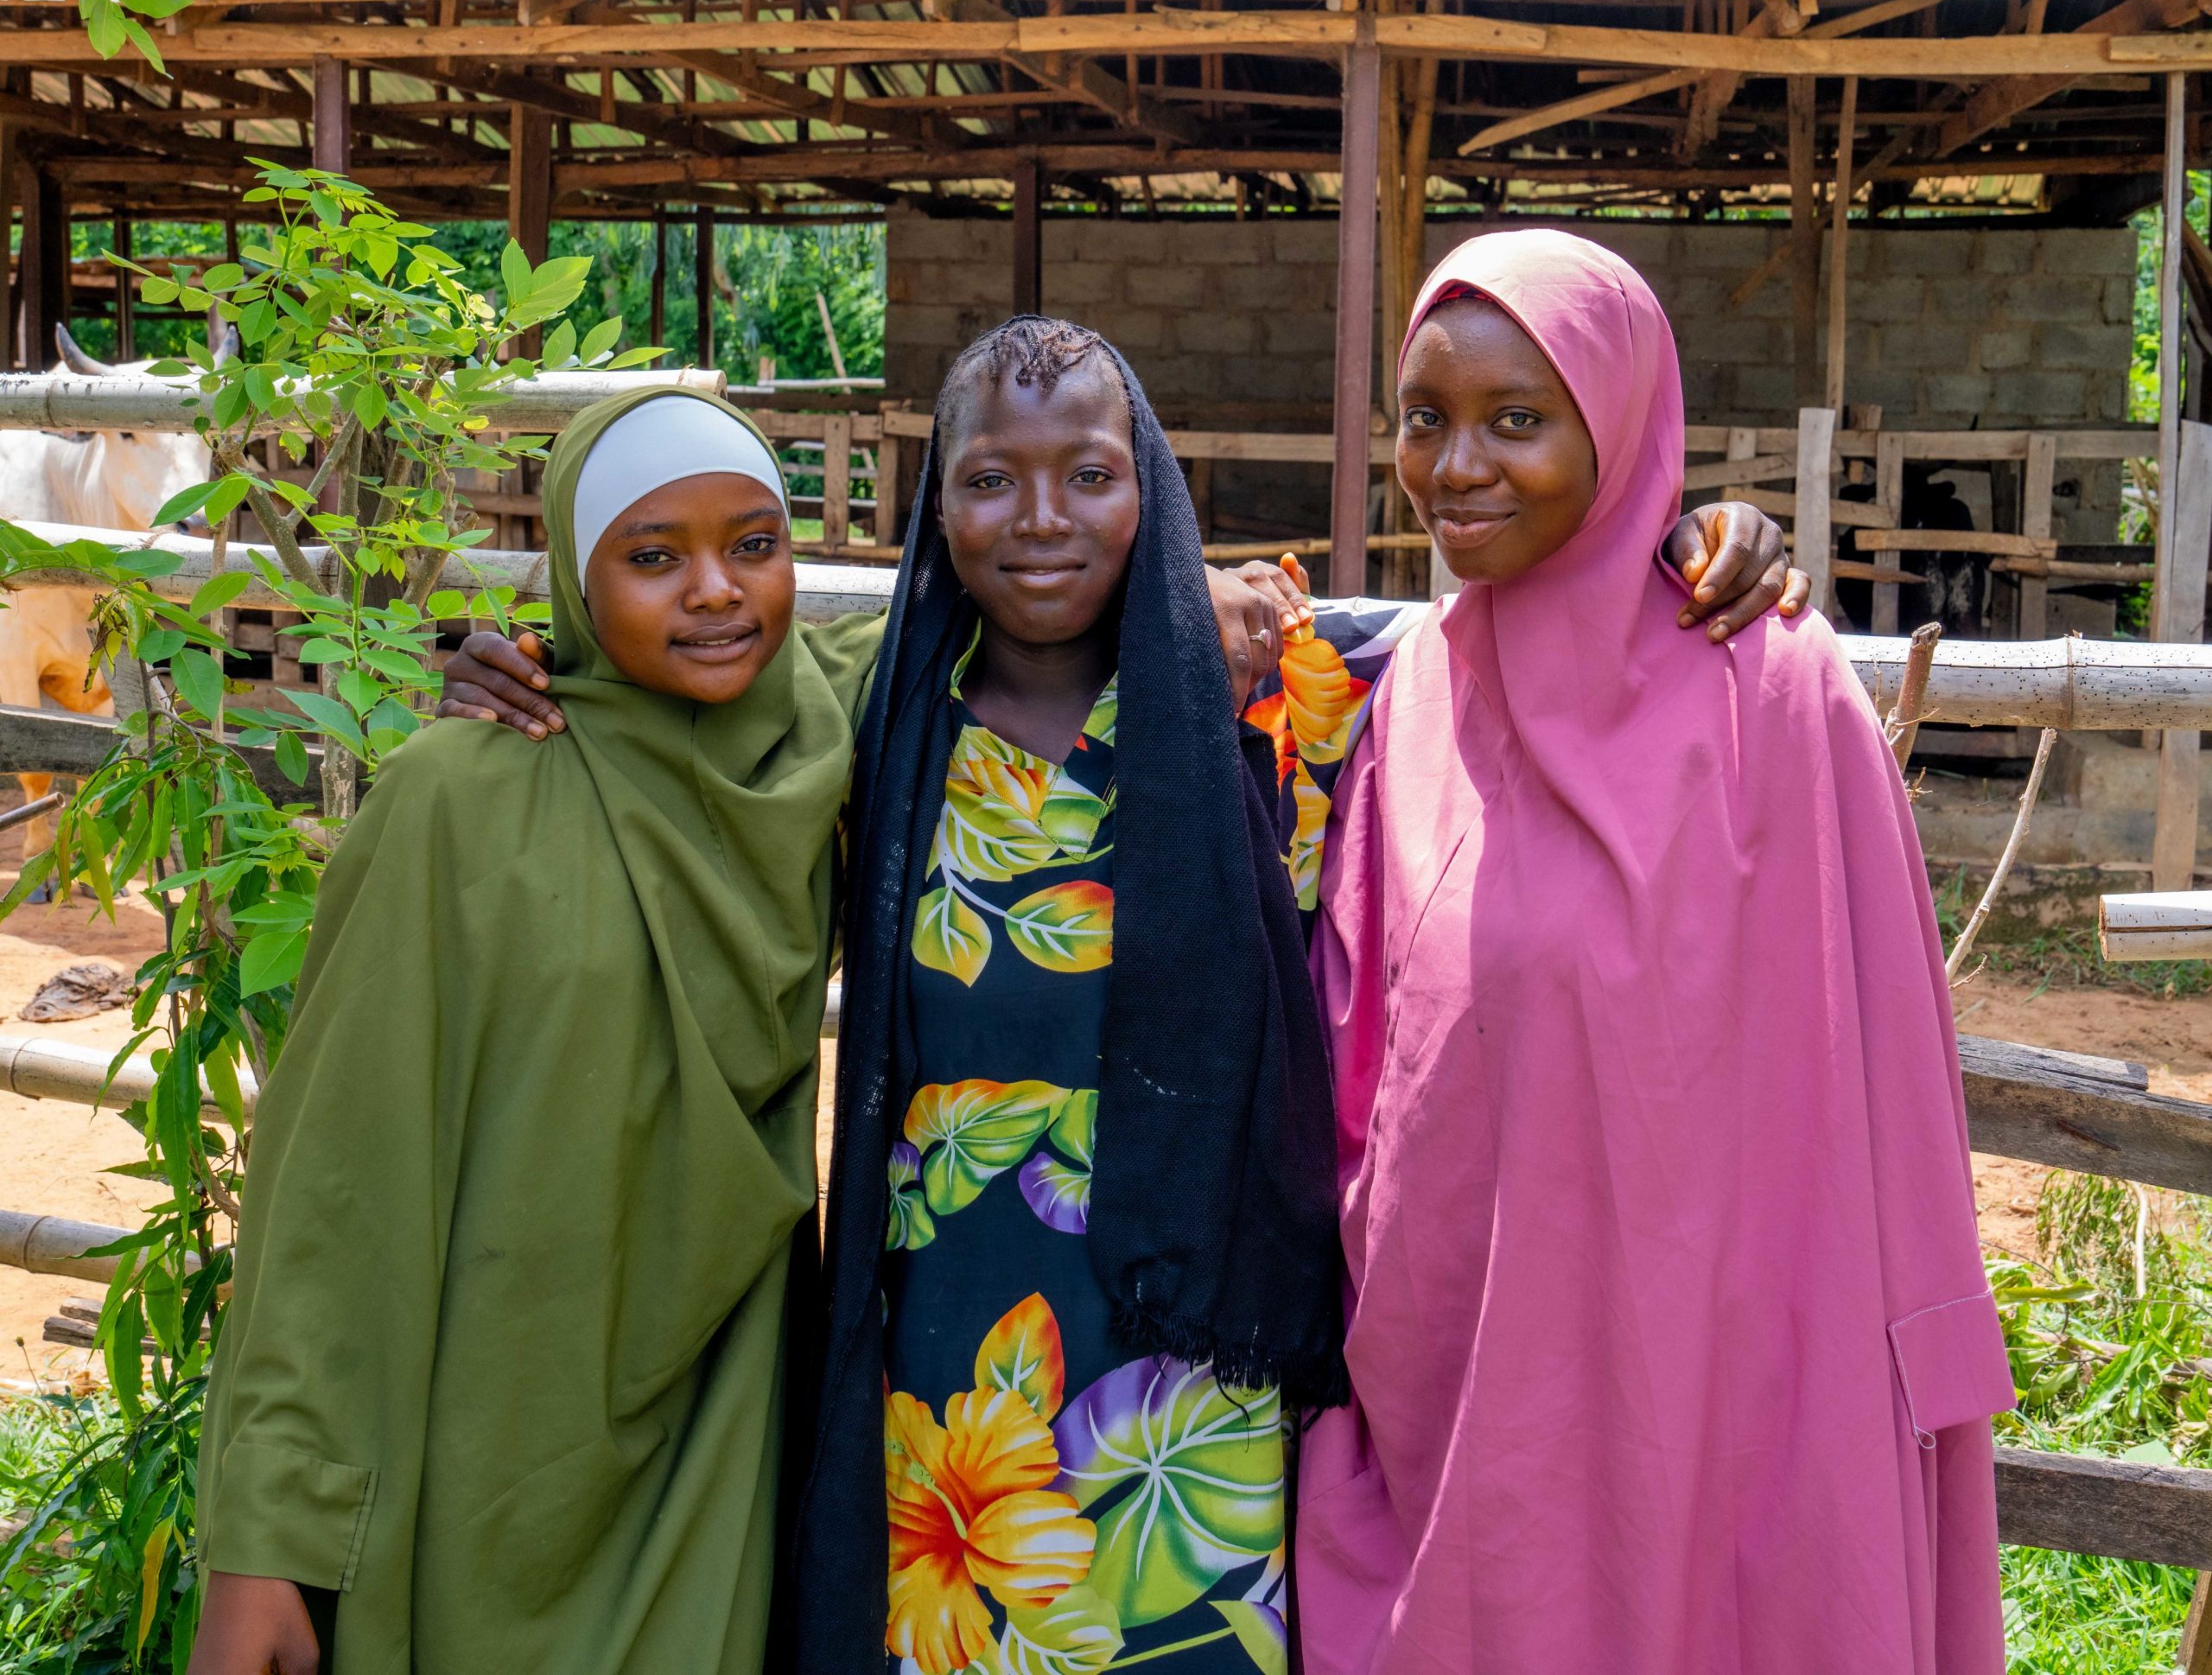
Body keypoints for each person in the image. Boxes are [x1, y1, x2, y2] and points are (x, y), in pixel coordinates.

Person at [430, 324, 1804, 1675]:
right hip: (951, 1382)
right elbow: (672, 691)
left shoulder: (1292, 702)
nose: (1041, 520)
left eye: (1089, 475)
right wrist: (526, 666)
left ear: (1148, 481)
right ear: (941, 505)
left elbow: (1529, 614)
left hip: (1193, 1382)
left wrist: (1678, 539)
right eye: (989, 481)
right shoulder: (867, 727)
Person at [1294, 229, 2012, 1674]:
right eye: (1426, 418)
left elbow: (1882, 1050)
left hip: (1724, 1355)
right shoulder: (1420, 689)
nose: (1456, 467)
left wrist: (1922, 1338)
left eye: (1518, 418)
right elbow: (1360, 1040)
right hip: (1470, 1370)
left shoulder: (1770, 683)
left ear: (1617, 432)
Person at [189, 388, 880, 1675]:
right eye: (653, 555)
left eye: (756, 543)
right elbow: (338, 1183)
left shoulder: (820, 752)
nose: (718, 591)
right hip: (488, 1459)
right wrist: (266, 1536)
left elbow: (1014, 602)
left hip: (714, 1458)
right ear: (572, 575)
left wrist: (1205, 611)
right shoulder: (463, 801)